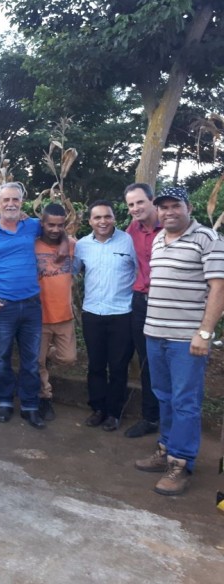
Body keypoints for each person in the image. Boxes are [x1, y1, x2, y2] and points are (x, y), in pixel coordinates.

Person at [135, 186, 224, 496]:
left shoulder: (207, 239)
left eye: (176, 206)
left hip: (186, 339)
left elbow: (218, 288)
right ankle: (166, 449)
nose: (169, 211)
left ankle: (181, 463)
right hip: (155, 334)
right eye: (164, 207)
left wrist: (204, 333)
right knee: (164, 395)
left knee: (185, 401)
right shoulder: (159, 238)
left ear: (189, 207)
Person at [0, 181, 45, 429]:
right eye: (6, 200)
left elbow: (58, 233)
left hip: (32, 305)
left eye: (15, 199)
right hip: (2, 307)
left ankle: (30, 405)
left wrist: (66, 243)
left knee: (31, 359)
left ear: (22, 202)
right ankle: (4, 402)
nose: (11, 204)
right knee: (2, 357)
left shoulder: (33, 225)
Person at [75, 200, 137, 432]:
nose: (103, 221)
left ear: (114, 218)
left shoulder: (128, 241)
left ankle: (114, 412)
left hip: (122, 314)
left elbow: (141, 272)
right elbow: (72, 270)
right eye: (97, 217)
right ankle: (98, 408)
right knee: (96, 365)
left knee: (118, 367)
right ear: (90, 221)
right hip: (92, 313)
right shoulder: (82, 245)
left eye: (107, 216)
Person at [123, 183, 162, 438]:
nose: (136, 208)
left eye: (140, 202)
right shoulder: (132, 230)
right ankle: (150, 417)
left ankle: (171, 419)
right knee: (146, 360)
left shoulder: (169, 226)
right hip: (140, 302)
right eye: (131, 204)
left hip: (166, 302)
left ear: (152, 200)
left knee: (167, 361)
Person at [35, 203, 78, 421]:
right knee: (37, 363)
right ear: (42, 223)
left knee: (68, 358)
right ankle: (45, 397)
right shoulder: (32, 245)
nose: (55, 229)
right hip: (39, 316)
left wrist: (65, 240)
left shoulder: (72, 245)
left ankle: (48, 354)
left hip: (64, 315)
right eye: (50, 225)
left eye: (60, 225)